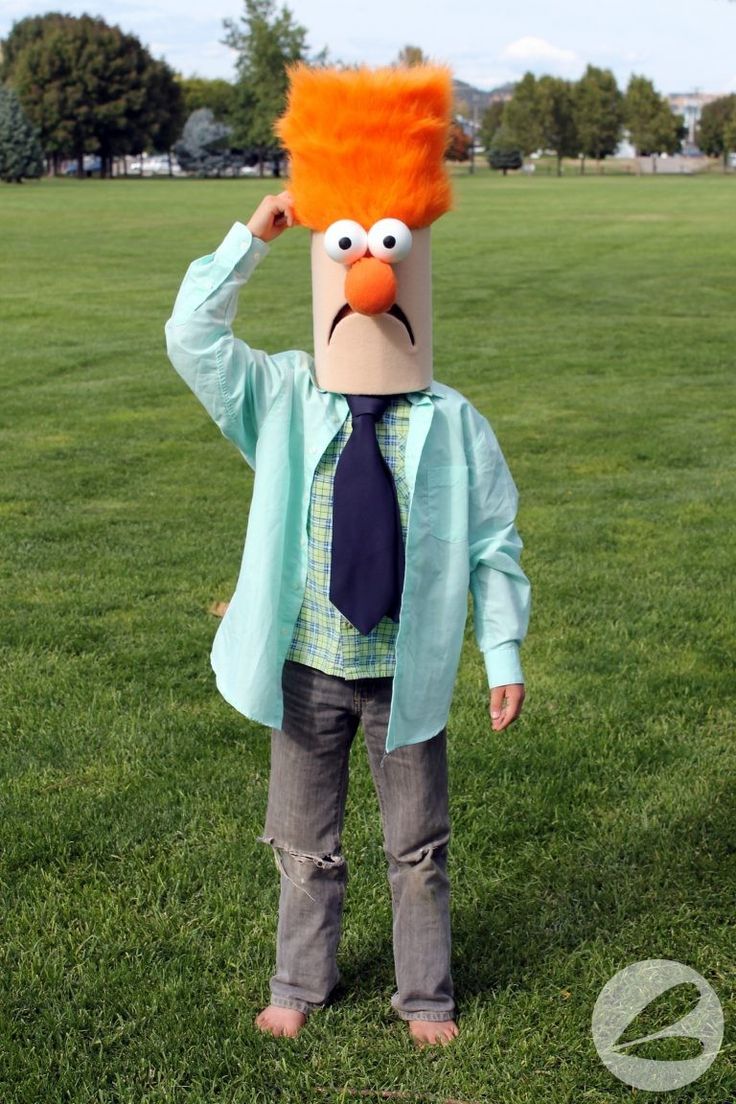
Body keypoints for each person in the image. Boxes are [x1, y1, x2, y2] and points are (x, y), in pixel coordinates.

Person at [165, 65, 531, 1048]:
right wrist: (253, 236)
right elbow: (191, 339)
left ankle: (426, 999)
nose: (369, 281)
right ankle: (300, 982)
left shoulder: (451, 425)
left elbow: (496, 541)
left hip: (400, 677)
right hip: (306, 667)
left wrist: (500, 654)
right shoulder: (284, 400)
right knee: (301, 842)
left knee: (418, 847)